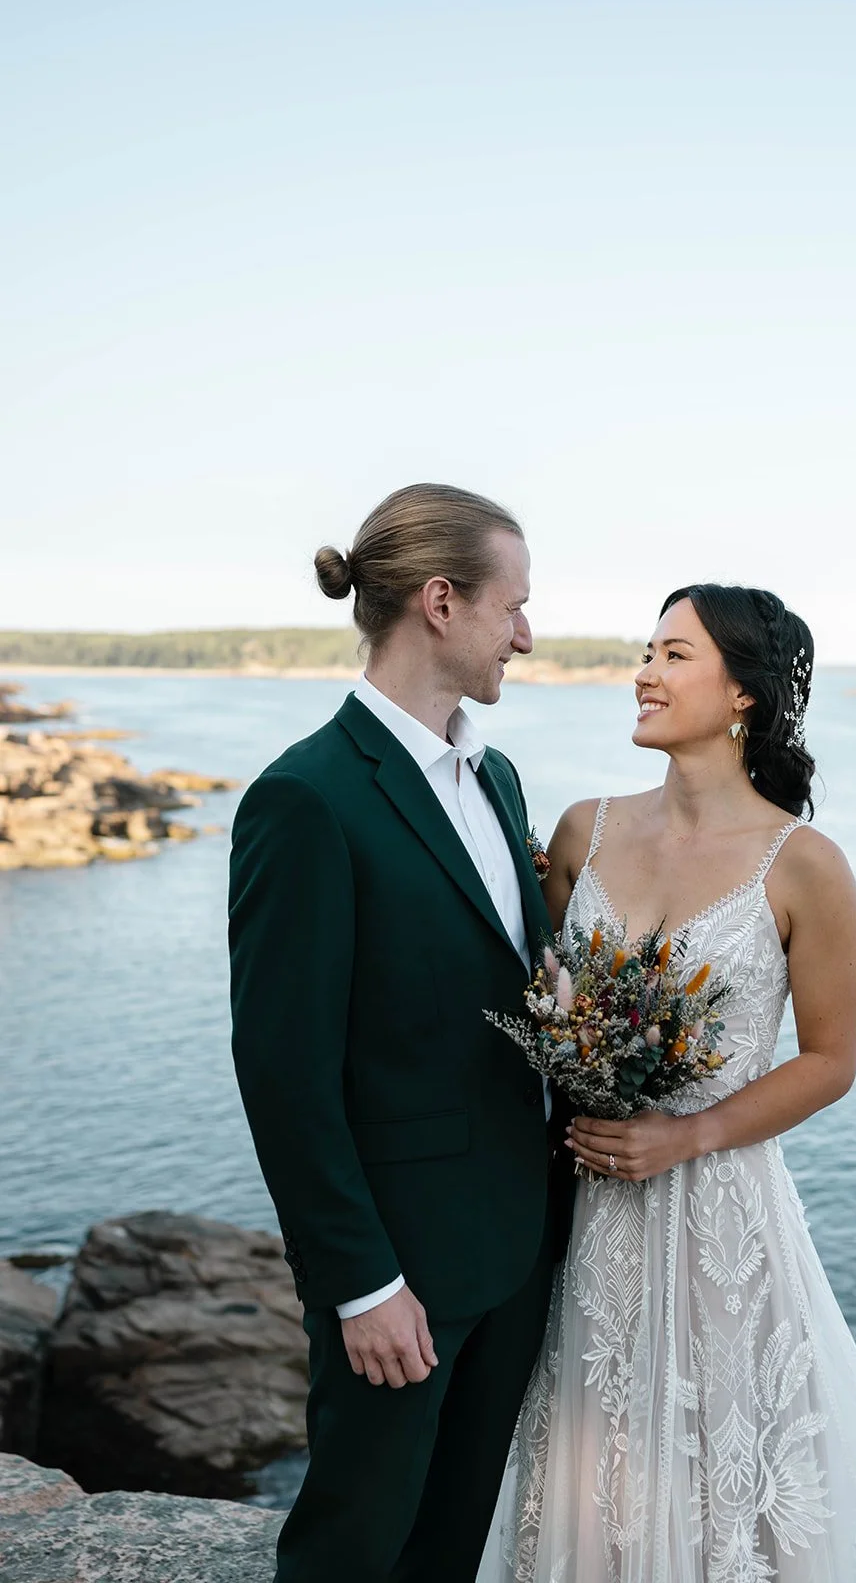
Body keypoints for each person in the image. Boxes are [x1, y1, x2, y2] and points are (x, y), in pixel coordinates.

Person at [478, 583, 856, 1582]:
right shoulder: (580, 833)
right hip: (588, 1210)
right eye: (645, 651)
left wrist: (683, 1135)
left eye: (672, 655)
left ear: (743, 693)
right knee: (586, 1463)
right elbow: (539, 1002)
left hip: (719, 1219)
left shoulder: (804, 864)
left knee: (731, 1471)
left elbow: (829, 1060)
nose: (642, 672)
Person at [229, 484, 563, 1583]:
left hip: (513, 1253)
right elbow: (283, 1072)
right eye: (512, 606)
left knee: (449, 1547)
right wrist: (360, 1282)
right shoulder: (307, 799)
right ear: (439, 601)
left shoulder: (497, 780)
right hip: (401, 1275)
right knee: (350, 1550)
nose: (526, 631)